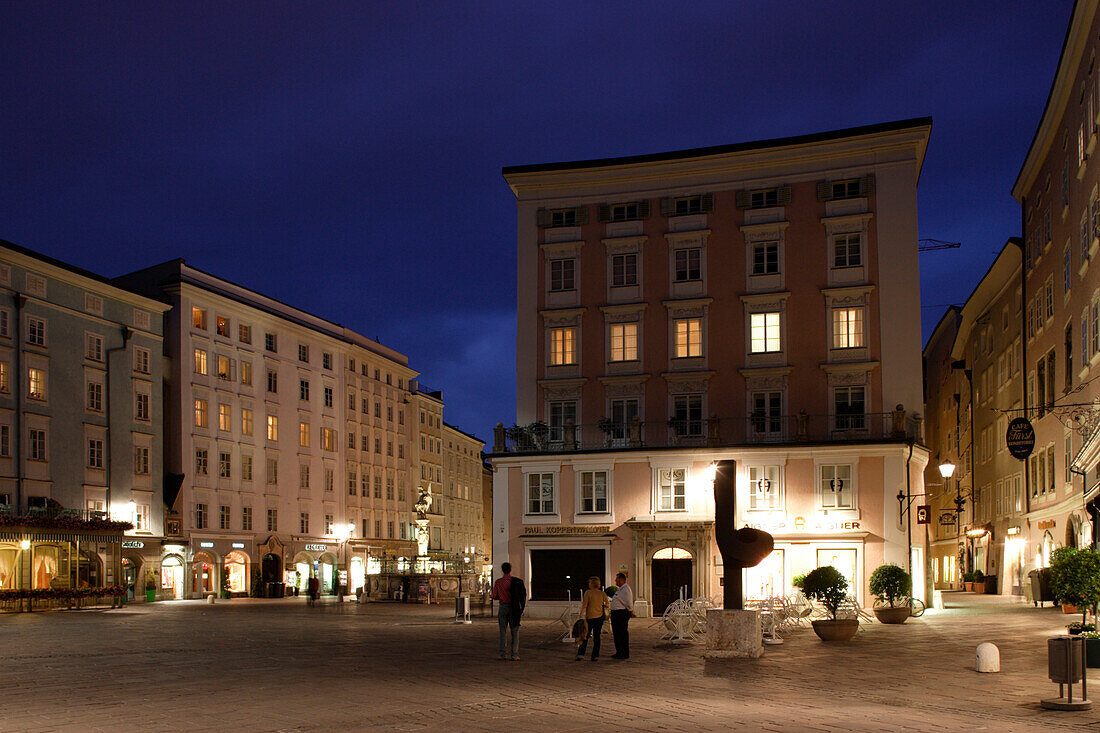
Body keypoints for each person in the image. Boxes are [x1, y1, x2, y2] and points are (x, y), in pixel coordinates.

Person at [492, 562, 525, 660]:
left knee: (502, 631)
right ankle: (515, 654)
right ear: (510, 569)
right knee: (515, 631)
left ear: (502, 570)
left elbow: (494, 596)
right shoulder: (516, 581)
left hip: (503, 607)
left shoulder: (498, 582)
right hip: (514, 608)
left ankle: (503, 654)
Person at [575, 576, 609, 662]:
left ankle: (581, 654)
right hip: (599, 617)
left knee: (585, 635)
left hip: (590, 617)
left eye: (589, 582)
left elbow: (585, 605)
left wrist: (580, 615)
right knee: (597, 637)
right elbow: (607, 605)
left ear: (592, 584)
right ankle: (595, 656)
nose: (588, 584)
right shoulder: (602, 593)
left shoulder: (588, 593)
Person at [609, 571, 635, 659]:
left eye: (616, 579)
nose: (615, 581)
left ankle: (623, 653)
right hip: (617, 613)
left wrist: (631, 611)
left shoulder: (625, 589)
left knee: (621, 633)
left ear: (621, 579)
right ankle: (619, 651)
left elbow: (628, 602)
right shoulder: (621, 589)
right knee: (617, 634)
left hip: (620, 614)